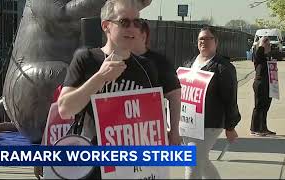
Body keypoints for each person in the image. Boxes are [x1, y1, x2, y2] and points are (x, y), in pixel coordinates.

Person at [58, 0, 180, 178]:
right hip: (93, 166)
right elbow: (65, 109)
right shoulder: (86, 59)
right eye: (124, 22)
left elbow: (150, 115)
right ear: (106, 26)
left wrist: (169, 133)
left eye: (137, 22)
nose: (132, 28)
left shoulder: (146, 67)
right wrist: (100, 77)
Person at [182, 26, 241, 179]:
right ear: (197, 42)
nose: (204, 42)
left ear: (216, 42)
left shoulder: (223, 67)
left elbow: (230, 99)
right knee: (201, 160)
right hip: (188, 123)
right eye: (201, 38)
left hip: (210, 124)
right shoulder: (189, 64)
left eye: (209, 38)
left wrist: (230, 126)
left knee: (193, 161)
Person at [131, 20, 182, 141]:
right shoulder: (114, 61)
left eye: (132, 35)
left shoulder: (159, 62)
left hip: (151, 132)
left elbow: (175, 97)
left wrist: (174, 131)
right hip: (120, 132)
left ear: (143, 36)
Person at [250, 36, 276, 136]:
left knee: (265, 107)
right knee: (259, 106)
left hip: (268, 83)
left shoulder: (267, 56)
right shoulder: (258, 55)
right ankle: (255, 128)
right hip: (260, 84)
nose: (269, 46)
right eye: (267, 44)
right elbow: (259, 52)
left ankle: (263, 127)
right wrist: (261, 44)